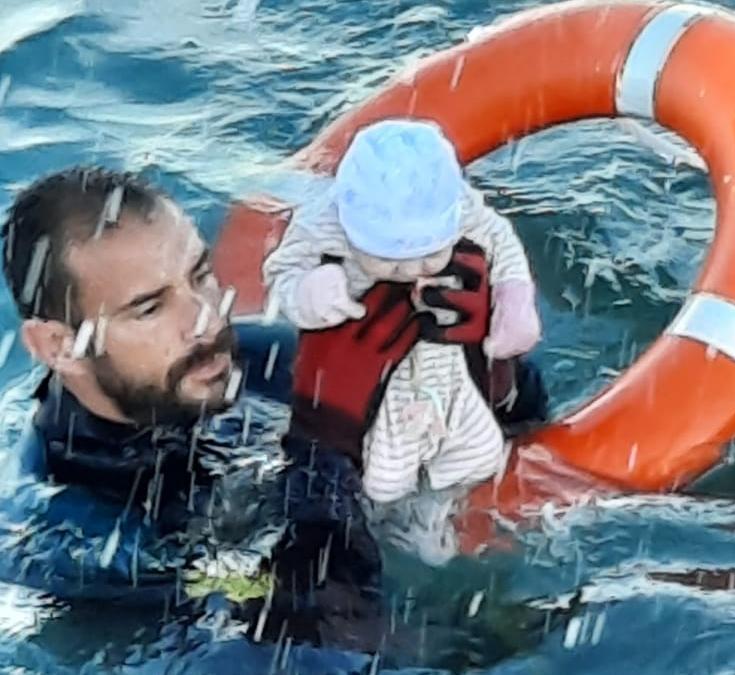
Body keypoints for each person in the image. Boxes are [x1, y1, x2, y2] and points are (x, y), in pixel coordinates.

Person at [0, 166, 564, 670]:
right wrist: (328, 438)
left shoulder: (251, 363)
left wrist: (484, 369)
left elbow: (516, 433)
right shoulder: (70, 537)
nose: (205, 320)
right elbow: (316, 627)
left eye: (200, 275)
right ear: (59, 346)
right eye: (149, 308)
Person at [262, 119, 544, 565]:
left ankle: (455, 505)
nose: (414, 271)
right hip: (352, 398)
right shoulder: (323, 223)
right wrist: (310, 290)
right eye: (391, 261)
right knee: (327, 497)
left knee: (489, 425)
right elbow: (283, 270)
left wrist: (515, 305)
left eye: (430, 255)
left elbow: (504, 249)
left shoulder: (466, 212)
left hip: (449, 369)